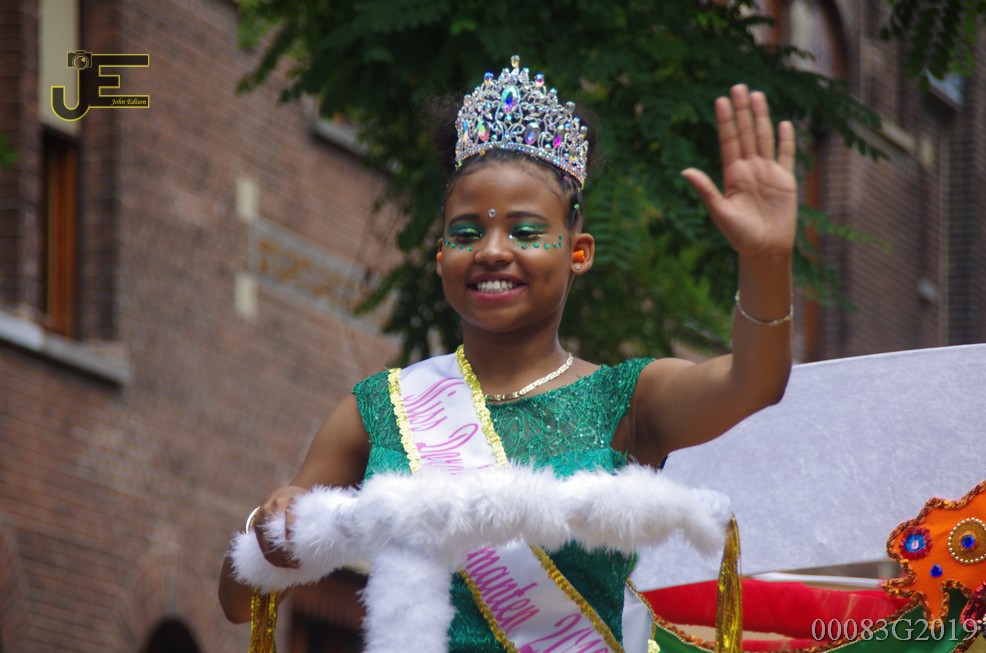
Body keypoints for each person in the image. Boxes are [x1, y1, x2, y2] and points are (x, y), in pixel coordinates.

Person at [219, 55, 796, 651]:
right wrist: (269, 529)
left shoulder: (627, 400)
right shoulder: (379, 411)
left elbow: (754, 382)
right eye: (467, 233)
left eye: (524, 232)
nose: (492, 251)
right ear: (441, 256)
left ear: (578, 252)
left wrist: (766, 261)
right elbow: (239, 601)